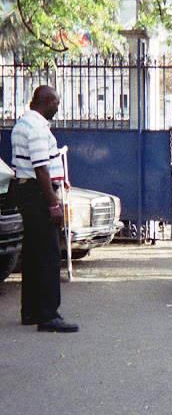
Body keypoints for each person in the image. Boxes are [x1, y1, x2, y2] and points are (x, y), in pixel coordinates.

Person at [11, 85, 78, 333]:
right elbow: (41, 168)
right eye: (56, 104)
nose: (58, 109)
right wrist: (53, 203)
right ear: (46, 101)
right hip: (40, 195)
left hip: (26, 192)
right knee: (49, 255)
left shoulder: (22, 124)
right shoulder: (38, 127)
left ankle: (30, 311)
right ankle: (49, 315)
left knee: (32, 254)